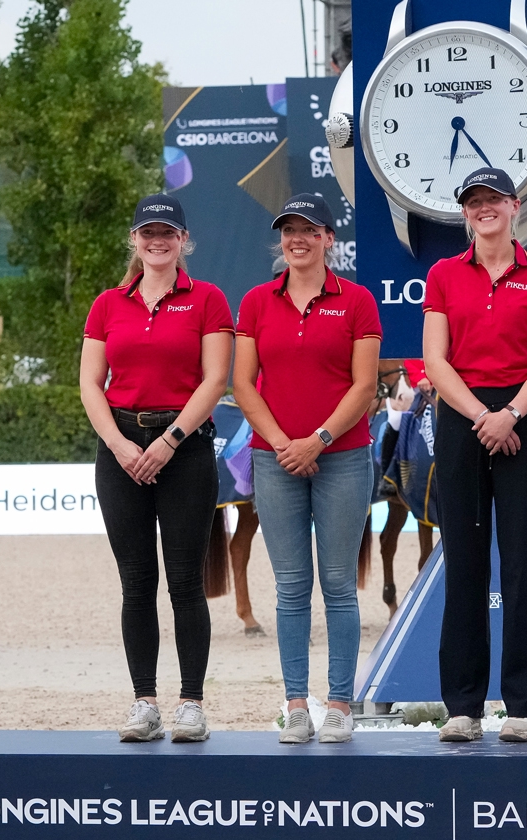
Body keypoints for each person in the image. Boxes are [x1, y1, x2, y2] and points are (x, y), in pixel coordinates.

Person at [80, 193, 233, 744]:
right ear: (135, 241)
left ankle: (191, 702)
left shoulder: (208, 299)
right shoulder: (107, 304)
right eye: (148, 233)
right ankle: (144, 701)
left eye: (168, 232)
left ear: (184, 241)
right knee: (136, 583)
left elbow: (215, 380)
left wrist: (169, 440)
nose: (158, 240)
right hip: (119, 446)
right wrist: (120, 446)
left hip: (184, 445)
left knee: (186, 582)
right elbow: (89, 384)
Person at [233, 193, 382, 744]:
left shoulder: (358, 301)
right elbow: (243, 384)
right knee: (292, 586)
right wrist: (281, 443)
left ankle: (340, 704)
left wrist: (316, 440)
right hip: (274, 461)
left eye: (309, 230)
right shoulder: (255, 302)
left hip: (342, 458)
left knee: (340, 584)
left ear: (328, 240)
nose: (297, 238)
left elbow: (364, 387)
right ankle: (297, 703)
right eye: (288, 230)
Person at [423, 167, 527, 743]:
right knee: (464, 565)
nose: (484, 209)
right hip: (464, 420)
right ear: (465, 213)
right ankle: (463, 707)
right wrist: (484, 417)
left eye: (492, 200)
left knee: (523, 567)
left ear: (513, 205)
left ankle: (524, 708)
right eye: (473, 202)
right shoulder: (442, 274)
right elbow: (436, 360)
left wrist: (511, 414)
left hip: (523, 420)